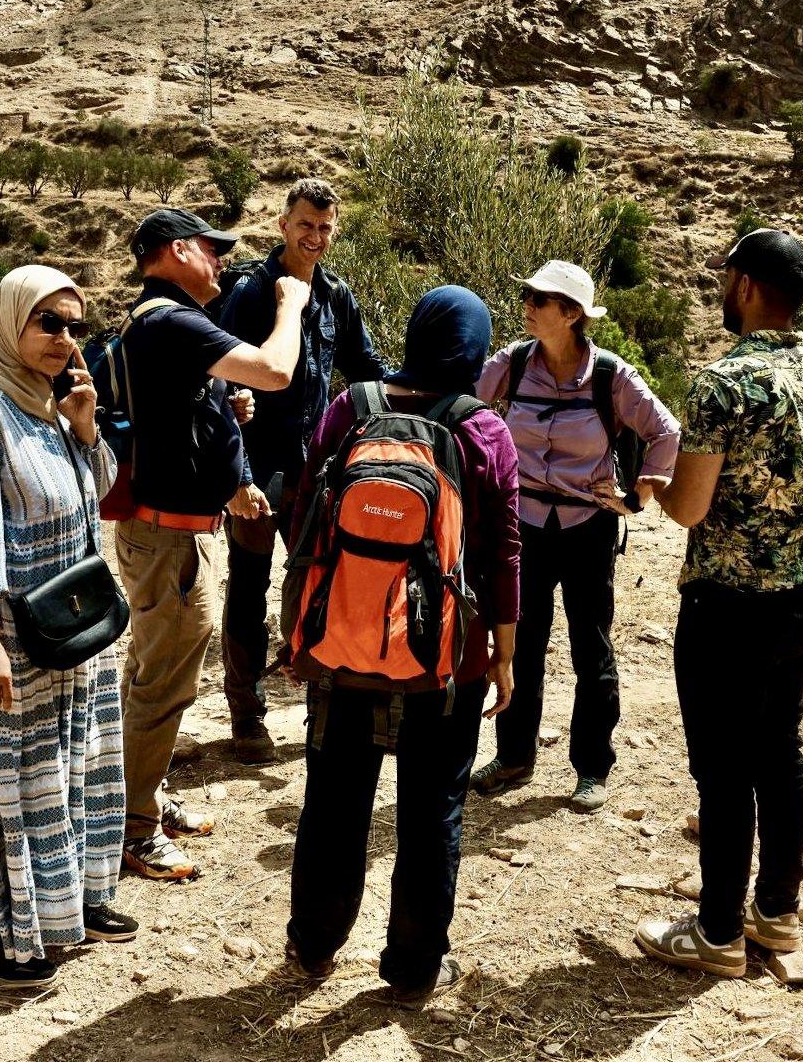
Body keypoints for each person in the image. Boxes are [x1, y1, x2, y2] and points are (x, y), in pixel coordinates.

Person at [633, 229, 803, 979]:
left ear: (743, 286)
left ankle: (716, 932)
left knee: (724, 770)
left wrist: (652, 490)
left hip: (725, 605)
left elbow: (691, 508)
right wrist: (791, 539)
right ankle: (777, 915)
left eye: (724, 275)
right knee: (780, 751)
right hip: (799, 598)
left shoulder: (722, 383)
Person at [283, 286, 521, 1008]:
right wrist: (504, 655)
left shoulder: (350, 408)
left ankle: (314, 943)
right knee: (430, 809)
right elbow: (503, 552)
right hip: (445, 658)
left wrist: (300, 623)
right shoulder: (483, 430)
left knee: (333, 798)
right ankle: (414, 966)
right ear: (476, 350)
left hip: (344, 639)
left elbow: (306, 517)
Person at [0, 264, 137, 988]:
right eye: (48, 322)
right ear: (9, 320)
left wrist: (84, 428)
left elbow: (93, 490)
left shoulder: (43, 402)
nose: (64, 339)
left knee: (68, 765)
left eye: (75, 326)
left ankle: (67, 902)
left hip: (62, 620)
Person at [110, 207, 311, 881]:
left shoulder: (159, 324)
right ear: (172, 252)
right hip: (167, 540)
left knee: (158, 674)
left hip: (170, 533)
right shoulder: (170, 320)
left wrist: (224, 409)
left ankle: (144, 797)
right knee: (161, 685)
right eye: (209, 248)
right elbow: (276, 371)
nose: (221, 260)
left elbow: (183, 417)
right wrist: (292, 306)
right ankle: (134, 829)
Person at [470, 260, 680, 814]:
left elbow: (665, 432)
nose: (528, 304)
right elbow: (464, 410)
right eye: (528, 294)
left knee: (592, 646)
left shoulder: (612, 376)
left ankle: (592, 767)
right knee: (522, 641)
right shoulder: (511, 365)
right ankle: (513, 757)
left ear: (572, 314)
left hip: (589, 528)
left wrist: (640, 496)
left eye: (540, 298)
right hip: (525, 527)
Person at [216, 179, 390, 765]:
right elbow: (225, 377)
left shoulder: (337, 295)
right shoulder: (252, 292)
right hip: (256, 464)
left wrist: (421, 385)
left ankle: (323, 700)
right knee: (248, 583)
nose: (314, 237)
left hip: (315, 466)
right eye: (305, 226)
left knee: (323, 577)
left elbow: (364, 366)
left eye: (325, 227)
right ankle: (247, 716)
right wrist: (234, 470)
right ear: (284, 226)